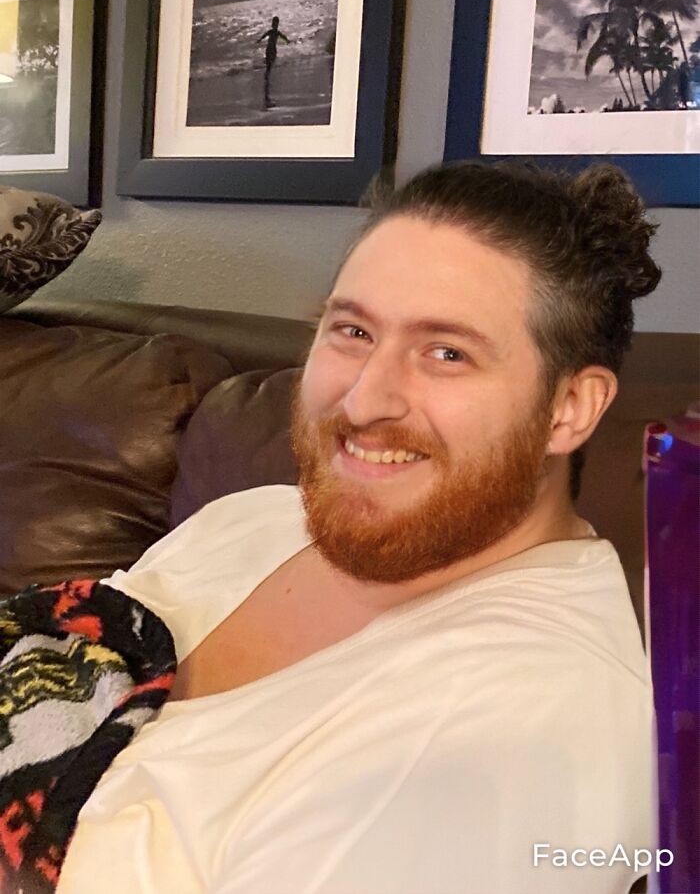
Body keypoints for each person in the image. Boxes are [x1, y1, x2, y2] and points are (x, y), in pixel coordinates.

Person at [55, 162, 660, 893]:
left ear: (569, 408)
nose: (365, 399)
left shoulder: (519, 729)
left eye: (447, 353)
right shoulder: (253, 519)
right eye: (353, 330)